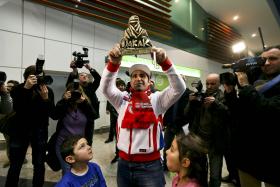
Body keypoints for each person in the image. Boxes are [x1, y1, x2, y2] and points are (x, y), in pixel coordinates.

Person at [100, 43, 186, 187]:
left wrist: (165, 63)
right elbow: (105, 88)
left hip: (150, 167)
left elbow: (179, 88)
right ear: (131, 81)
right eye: (134, 76)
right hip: (123, 165)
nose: (138, 78)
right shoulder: (122, 99)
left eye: (142, 75)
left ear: (149, 81)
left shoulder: (157, 99)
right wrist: (113, 64)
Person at [231, 45, 280, 187]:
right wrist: (230, 92)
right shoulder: (253, 78)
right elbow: (238, 112)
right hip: (247, 153)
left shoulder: (248, 84)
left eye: (273, 59)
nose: (267, 62)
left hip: (273, 154)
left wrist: (246, 87)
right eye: (263, 59)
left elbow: (270, 112)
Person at [5, 65, 55, 187]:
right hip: (20, 130)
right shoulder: (17, 89)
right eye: (35, 77)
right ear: (27, 77)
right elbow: (17, 109)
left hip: (40, 131)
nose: (38, 80)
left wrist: (46, 99)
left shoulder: (47, 91)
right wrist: (26, 89)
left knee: (39, 164)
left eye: (40, 77)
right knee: (16, 164)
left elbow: (52, 113)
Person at [184, 73, 229, 187]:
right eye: (207, 83)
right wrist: (190, 102)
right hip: (199, 139)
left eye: (213, 84)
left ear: (219, 84)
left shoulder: (224, 97)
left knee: (215, 174)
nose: (209, 86)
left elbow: (228, 115)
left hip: (215, 142)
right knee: (200, 172)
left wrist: (216, 103)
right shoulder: (200, 96)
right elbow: (186, 114)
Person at [51, 82, 97, 174]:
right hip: (63, 145)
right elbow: (54, 115)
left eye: (77, 92)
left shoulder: (85, 104)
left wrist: (85, 103)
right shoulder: (64, 104)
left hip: (81, 145)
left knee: (81, 170)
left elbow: (93, 116)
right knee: (67, 170)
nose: (75, 95)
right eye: (73, 93)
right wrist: (64, 101)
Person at [66, 62, 101, 146]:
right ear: (78, 78)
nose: (85, 76)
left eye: (86, 75)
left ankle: (87, 156)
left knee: (89, 139)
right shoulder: (75, 87)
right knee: (77, 140)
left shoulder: (91, 87)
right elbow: (69, 83)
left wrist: (90, 69)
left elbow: (98, 78)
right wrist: (74, 70)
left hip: (90, 117)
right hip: (78, 118)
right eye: (82, 75)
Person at [162, 86, 192, 171]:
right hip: (170, 124)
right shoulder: (173, 93)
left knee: (183, 147)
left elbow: (190, 112)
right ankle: (166, 165)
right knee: (167, 145)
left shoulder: (189, 94)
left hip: (184, 126)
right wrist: (164, 122)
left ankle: (181, 166)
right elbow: (168, 109)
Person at [1, 80, 23, 168]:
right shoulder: (4, 98)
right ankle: (10, 160)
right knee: (9, 144)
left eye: (11, 87)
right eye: (7, 86)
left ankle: (20, 159)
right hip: (6, 126)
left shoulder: (21, 98)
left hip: (19, 128)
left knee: (19, 146)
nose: (8, 88)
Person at [104, 78, 126, 164]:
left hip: (124, 122)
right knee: (118, 138)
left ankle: (123, 154)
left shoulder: (127, 95)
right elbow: (109, 103)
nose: (121, 87)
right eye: (119, 85)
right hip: (116, 120)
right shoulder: (113, 95)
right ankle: (118, 155)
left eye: (122, 85)